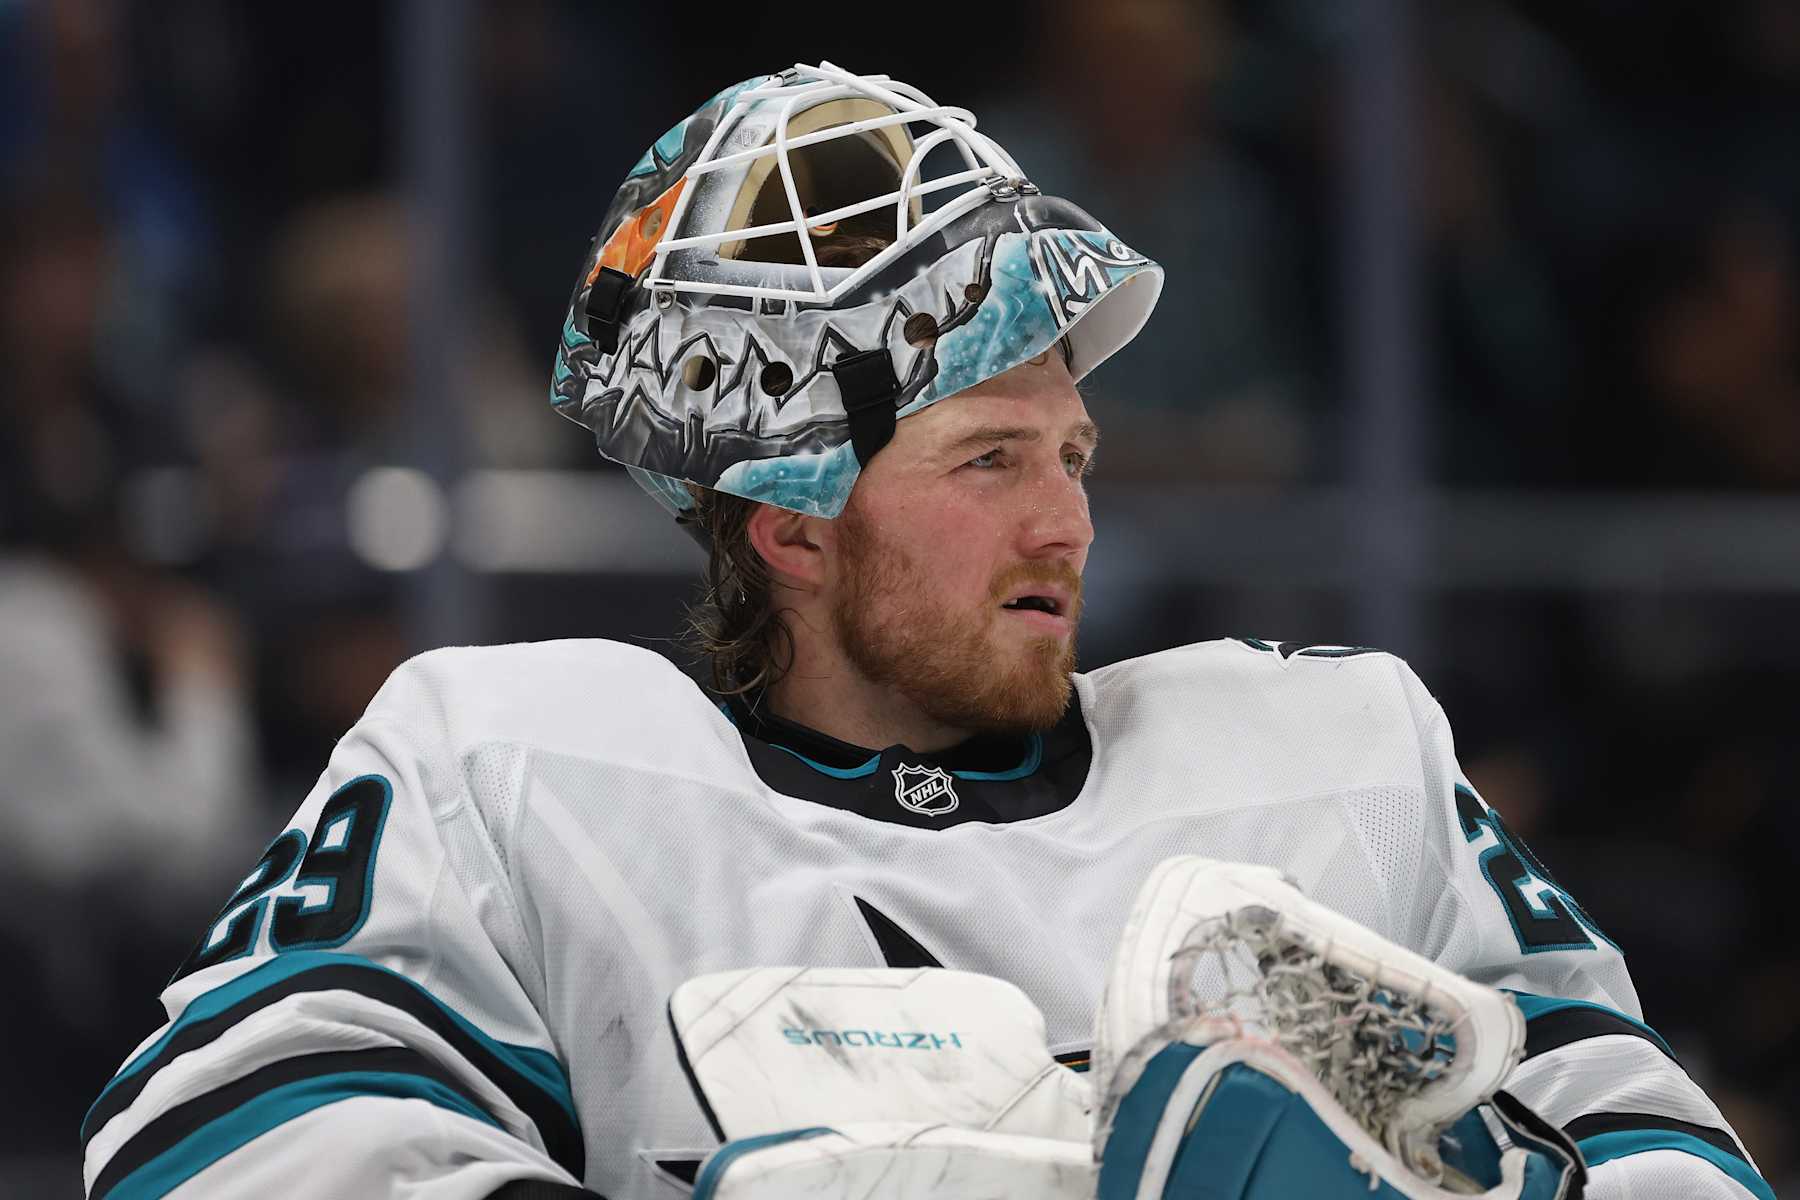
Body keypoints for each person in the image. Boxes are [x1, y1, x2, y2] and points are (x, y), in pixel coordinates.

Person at [81, 64, 1770, 1200]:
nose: (1070, 521)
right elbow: (210, 1141)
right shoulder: (509, 770)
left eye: (1074, 456)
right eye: (989, 461)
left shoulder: (1338, 762)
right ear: (793, 517)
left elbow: (1667, 1150)